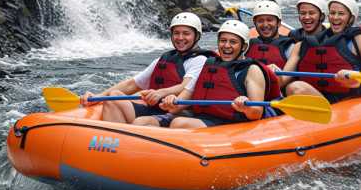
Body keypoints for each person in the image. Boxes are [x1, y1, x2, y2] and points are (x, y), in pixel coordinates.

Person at [81, 12, 209, 125]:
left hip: (179, 113)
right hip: (155, 109)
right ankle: (115, 144)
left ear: (196, 36)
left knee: (141, 121)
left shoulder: (200, 60)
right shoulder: (164, 59)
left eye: (186, 34)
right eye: (176, 33)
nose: (180, 38)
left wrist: (161, 92)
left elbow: (185, 86)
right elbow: (132, 84)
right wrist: (98, 97)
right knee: (113, 97)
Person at [160, 19, 282, 128]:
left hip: (231, 123)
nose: (226, 46)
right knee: (155, 120)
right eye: (223, 41)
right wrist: (173, 101)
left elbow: (256, 112)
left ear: (244, 47)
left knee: (178, 123)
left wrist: (246, 107)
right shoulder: (209, 64)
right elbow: (187, 95)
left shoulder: (252, 70)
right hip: (204, 116)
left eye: (233, 42)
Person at [280, 0, 361, 103]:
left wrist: (356, 77)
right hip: (319, 97)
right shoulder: (304, 43)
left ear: (351, 18)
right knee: (294, 87)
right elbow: (284, 78)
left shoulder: (359, 39)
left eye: (341, 14)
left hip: (350, 99)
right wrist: (269, 72)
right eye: (332, 13)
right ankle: (325, 111)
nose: (335, 17)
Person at [246, 0, 294, 68]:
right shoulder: (248, 46)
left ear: (279, 23)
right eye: (260, 21)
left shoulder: (290, 47)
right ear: (255, 23)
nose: (265, 25)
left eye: (269, 20)